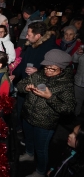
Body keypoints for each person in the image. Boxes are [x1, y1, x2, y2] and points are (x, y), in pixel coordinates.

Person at [17, 49, 76, 177]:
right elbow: (20, 84)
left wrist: (50, 97)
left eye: (52, 69)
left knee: (41, 149)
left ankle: (40, 171)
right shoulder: (38, 75)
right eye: (46, 67)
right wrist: (25, 88)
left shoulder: (66, 84)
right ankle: (29, 154)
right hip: (28, 116)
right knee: (29, 139)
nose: (48, 71)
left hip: (45, 123)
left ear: (62, 68)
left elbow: (68, 109)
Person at [72, 45, 84, 116]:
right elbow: (74, 60)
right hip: (79, 82)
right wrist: (77, 53)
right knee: (77, 101)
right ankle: (75, 118)